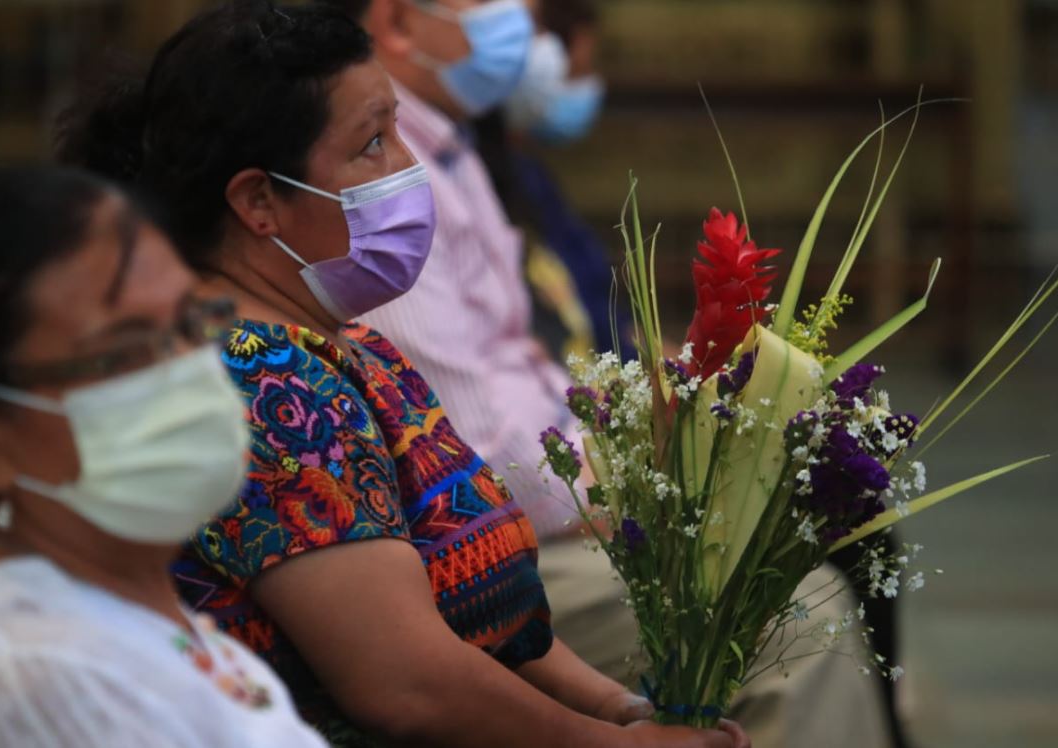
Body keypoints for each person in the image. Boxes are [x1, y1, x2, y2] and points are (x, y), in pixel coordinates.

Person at [56, 3, 749, 747]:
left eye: (398, 133)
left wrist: (620, 708)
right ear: (258, 201)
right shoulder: (266, 383)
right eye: (373, 145)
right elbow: (406, 682)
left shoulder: (355, 346)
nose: (407, 171)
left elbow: (504, 627)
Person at [345, 0, 893, 745]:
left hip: (555, 496)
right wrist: (655, 478)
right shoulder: (393, 185)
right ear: (398, 23)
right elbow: (481, 456)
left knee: (836, 504)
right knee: (804, 614)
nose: (519, 18)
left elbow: (525, 364)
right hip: (505, 535)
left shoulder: (453, 148)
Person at [0, 165, 332, 747]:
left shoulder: (116, 610)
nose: (189, 371)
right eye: (124, 354)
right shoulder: (41, 676)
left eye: (188, 323)